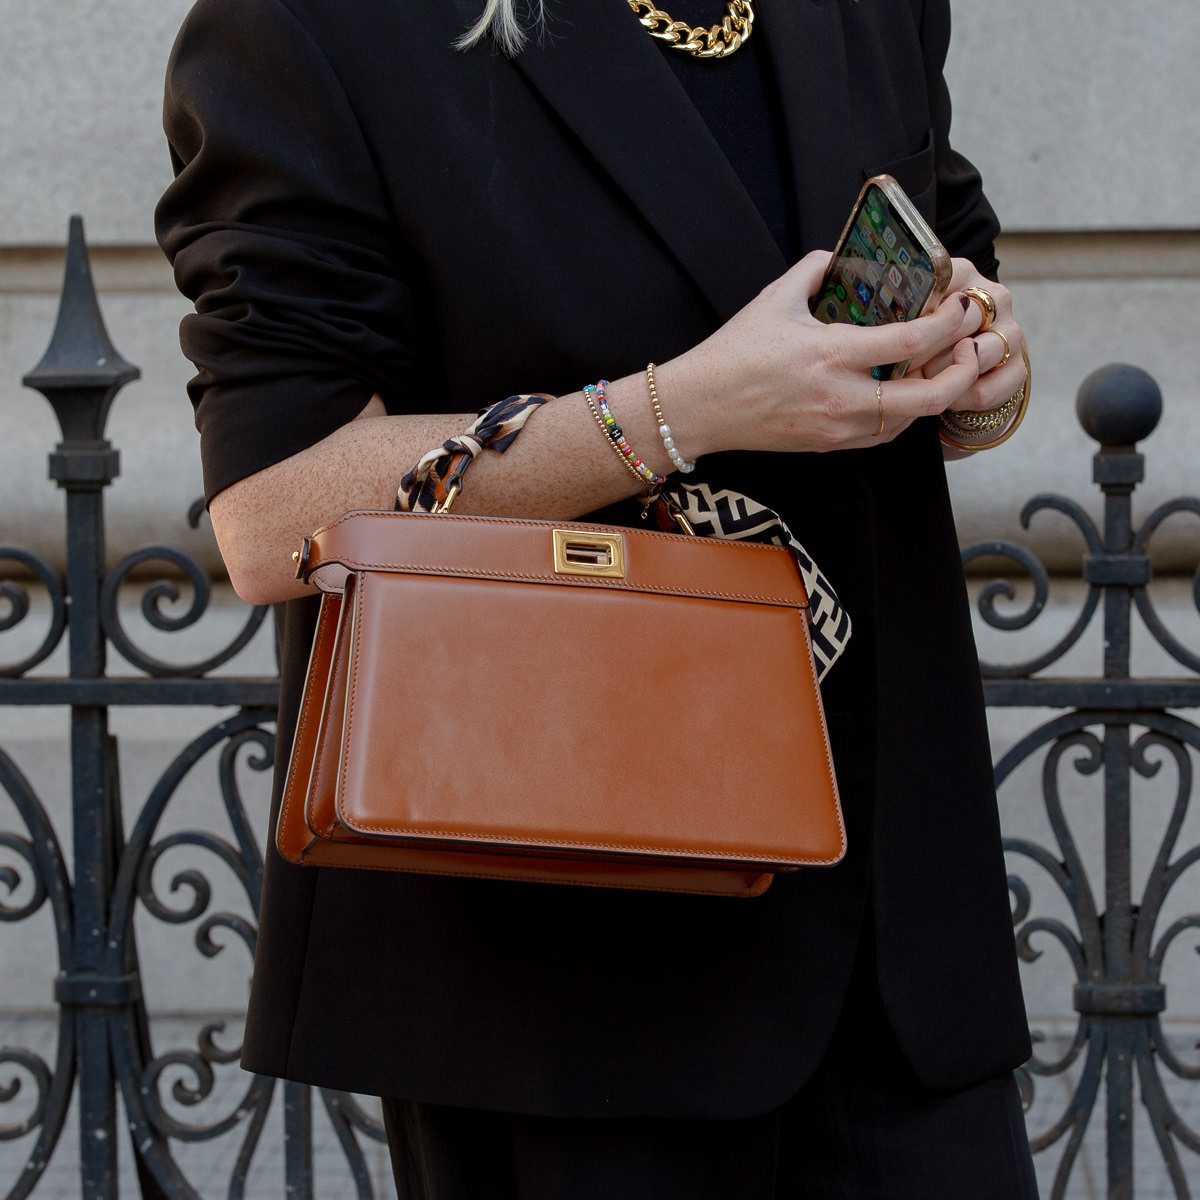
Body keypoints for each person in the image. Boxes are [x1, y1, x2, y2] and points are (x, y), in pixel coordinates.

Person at [156, 0, 1039, 1194]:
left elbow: (955, 270)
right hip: (567, 954)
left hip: (899, 946)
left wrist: (978, 371)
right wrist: (680, 413)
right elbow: (272, 516)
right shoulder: (310, 27)